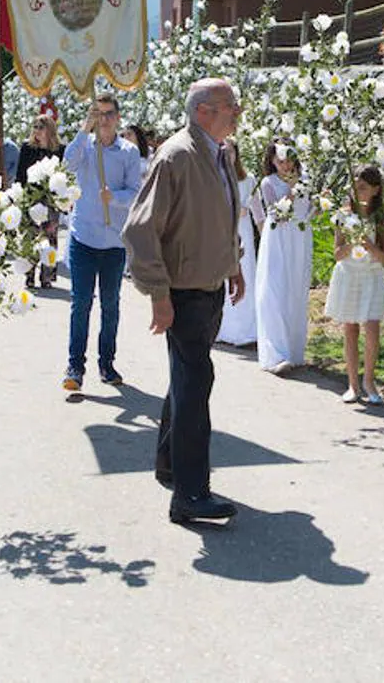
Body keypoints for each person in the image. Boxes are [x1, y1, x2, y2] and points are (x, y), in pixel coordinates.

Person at [122, 78, 245, 524]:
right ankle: (190, 495)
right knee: (196, 385)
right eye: (230, 105)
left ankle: (170, 465)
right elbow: (140, 229)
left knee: (186, 380)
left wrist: (233, 264)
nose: (237, 111)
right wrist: (157, 294)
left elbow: (222, 214)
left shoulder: (219, 152)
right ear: (204, 111)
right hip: (184, 292)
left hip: (208, 287)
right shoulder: (176, 156)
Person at [61, 93, 142, 390]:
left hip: (113, 242)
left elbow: (136, 193)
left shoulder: (129, 152)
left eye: (109, 114)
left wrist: (115, 197)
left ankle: (106, 363)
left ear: (118, 117)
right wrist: (84, 128)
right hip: (83, 236)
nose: (104, 119)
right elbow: (67, 163)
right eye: (99, 113)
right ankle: (74, 365)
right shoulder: (85, 146)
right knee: (81, 302)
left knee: (111, 305)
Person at [326, 166, 384, 405]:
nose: (357, 192)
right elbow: (337, 254)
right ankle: (353, 385)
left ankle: (369, 382)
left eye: (363, 188)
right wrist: (352, 241)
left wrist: (370, 246)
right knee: (350, 329)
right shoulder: (343, 216)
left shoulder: (383, 219)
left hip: (372, 276)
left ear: (376, 190)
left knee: (372, 326)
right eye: (354, 187)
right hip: (349, 275)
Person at [251, 139, 313, 375]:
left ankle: (294, 350)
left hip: (300, 236)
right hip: (278, 236)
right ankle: (275, 353)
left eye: (288, 160)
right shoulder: (269, 182)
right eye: (280, 161)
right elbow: (276, 212)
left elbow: (308, 210)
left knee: (296, 290)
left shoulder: (306, 180)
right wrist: (292, 190)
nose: (285, 166)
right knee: (275, 289)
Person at [214, 138, 258, 347]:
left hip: (243, 231)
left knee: (245, 273)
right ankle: (221, 328)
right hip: (221, 230)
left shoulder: (247, 179)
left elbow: (255, 207)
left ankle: (245, 330)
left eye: (230, 152)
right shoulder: (213, 177)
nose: (227, 156)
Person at [18, 114, 66, 289]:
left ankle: (46, 276)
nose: (37, 130)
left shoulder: (60, 149)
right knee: (31, 237)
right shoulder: (27, 148)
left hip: (51, 200)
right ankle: (29, 275)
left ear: (50, 129)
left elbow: (64, 175)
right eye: (35, 127)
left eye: (41, 127)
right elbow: (21, 175)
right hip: (31, 198)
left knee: (50, 238)